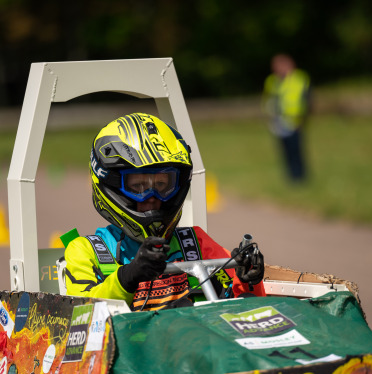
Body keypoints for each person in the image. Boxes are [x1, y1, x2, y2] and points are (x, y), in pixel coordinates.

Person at [63, 113, 265, 312]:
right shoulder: (84, 251)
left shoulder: (195, 243)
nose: (152, 197)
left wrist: (249, 279)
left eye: (161, 184)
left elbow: (245, 309)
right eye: (139, 186)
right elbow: (81, 318)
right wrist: (126, 278)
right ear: (112, 183)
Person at [262, 54, 311, 182]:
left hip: (296, 121)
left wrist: (303, 119)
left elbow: (307, 100)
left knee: (297, 150)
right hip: (279, 122)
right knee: (284, 151)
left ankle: (301, 177)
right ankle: (290, 177)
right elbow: (269, 100)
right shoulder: (272, 81)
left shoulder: (300, 79)